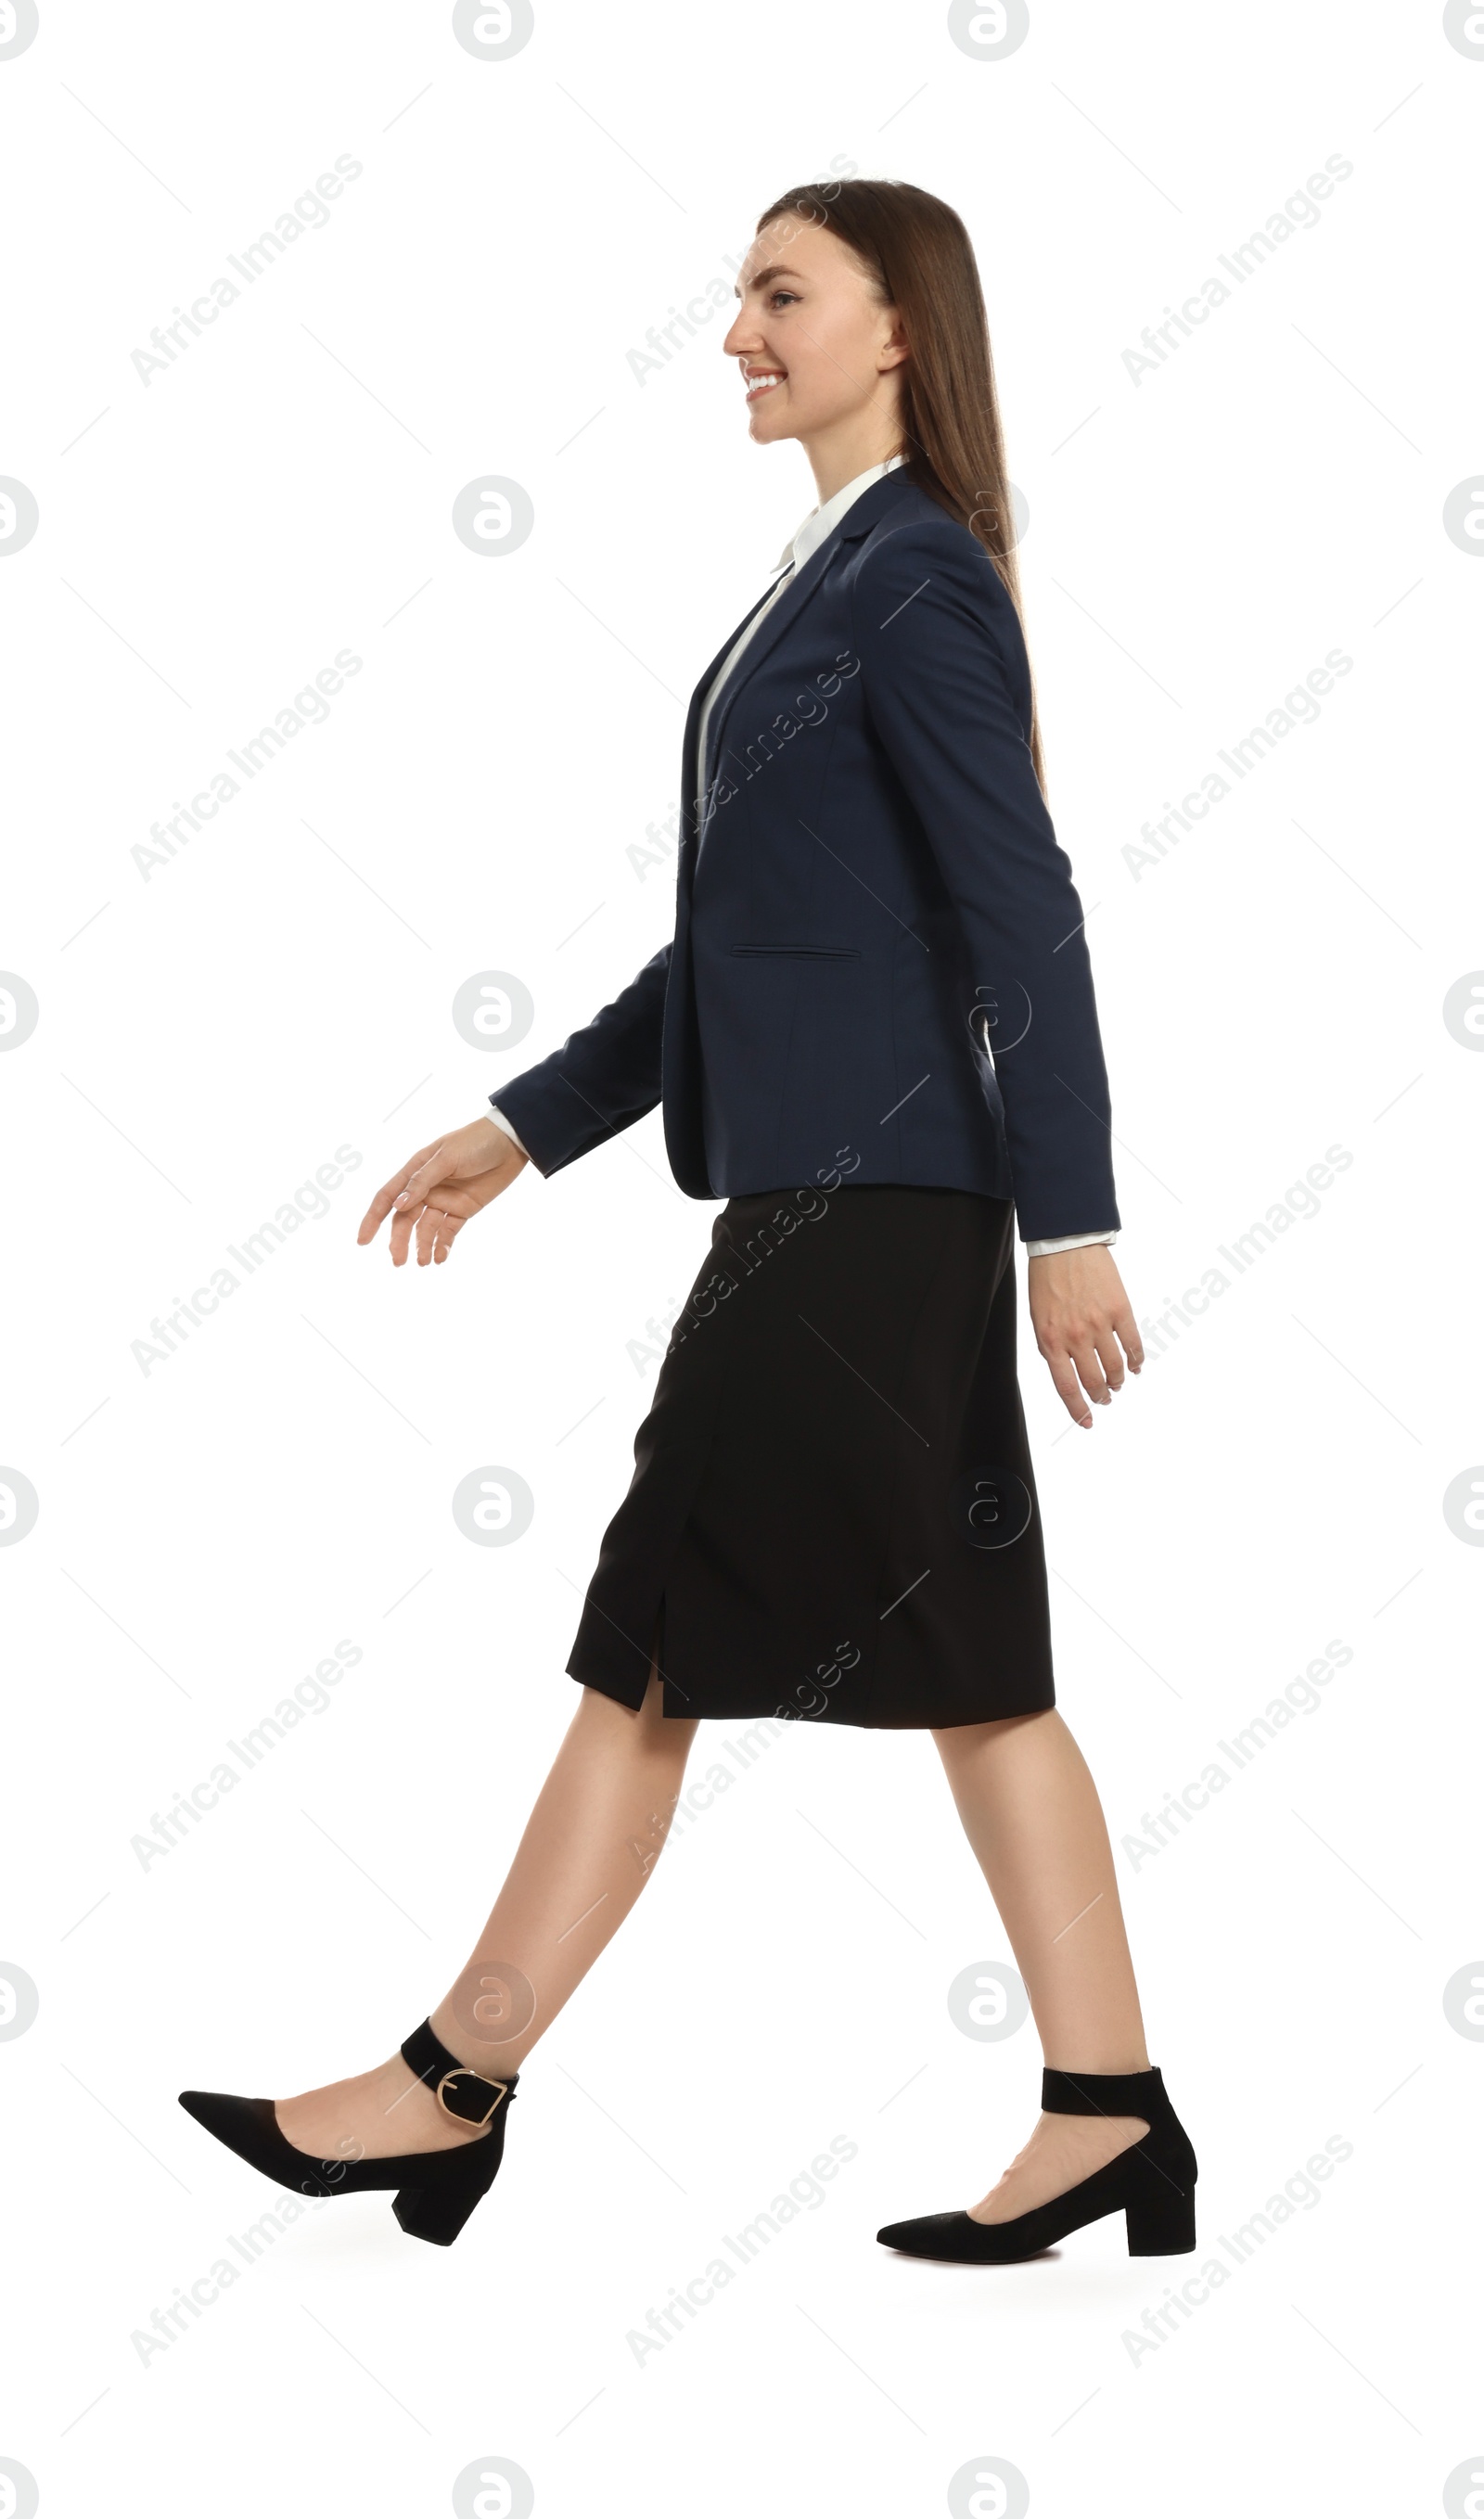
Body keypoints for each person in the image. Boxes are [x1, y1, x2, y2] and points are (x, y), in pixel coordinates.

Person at [180, 179, 1196, 2262]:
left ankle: (446, 2088)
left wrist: (1070, 1220)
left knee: (655, 1625)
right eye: (739, 290)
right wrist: (522, 1127)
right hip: (866, 1206)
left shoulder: (905, 582)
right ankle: (1109, 2104)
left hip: (861, 1218)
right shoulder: (832, 577)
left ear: (893, 325)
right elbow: (749, 948)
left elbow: (1023, 915)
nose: (732, 328)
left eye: (776, 291)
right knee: (965, 1661)